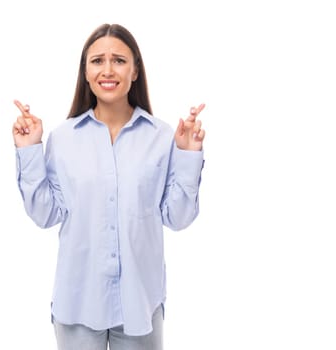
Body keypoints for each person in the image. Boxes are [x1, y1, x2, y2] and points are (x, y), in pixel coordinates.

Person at [12, 23, 206, 350]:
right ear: (86, 73)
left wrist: (188, 155)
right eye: (97, 61)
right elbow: (45, 214)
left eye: (118, 60)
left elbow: (177, 217)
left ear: (134, 71)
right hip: (78, 303)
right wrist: (29, 149)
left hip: (141, 307)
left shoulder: (161, 137)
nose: (107, 70)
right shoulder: (63, 138)